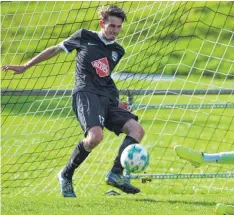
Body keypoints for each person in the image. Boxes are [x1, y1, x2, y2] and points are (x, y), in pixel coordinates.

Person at [1, 5, 145, 197]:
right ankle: (66, 174)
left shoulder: (118, 50)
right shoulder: (84, 36)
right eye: (111, 26)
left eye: (118, 27)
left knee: (137, 130)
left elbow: (104, 78)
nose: (115, 30)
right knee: (95, 138)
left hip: (106, 99)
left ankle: (115, 174)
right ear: (102, 23)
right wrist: (26, 66)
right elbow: (54, 50)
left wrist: (116, 101)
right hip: (85, 94)